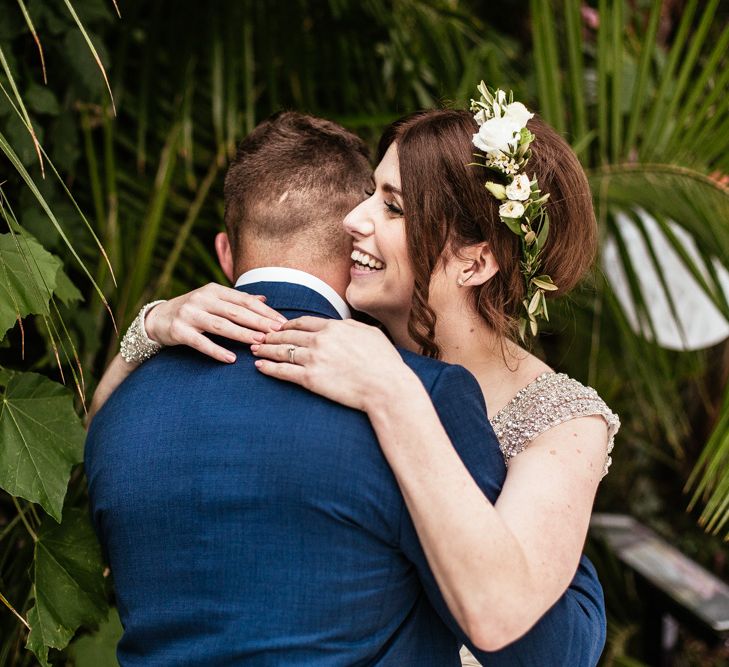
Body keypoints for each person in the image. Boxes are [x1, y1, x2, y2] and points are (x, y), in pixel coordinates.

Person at [88, 97, 615, 664]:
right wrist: (150, 327)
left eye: (391, 207)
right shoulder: (322, 341)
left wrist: (395, 395)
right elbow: (116, 441)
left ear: (474, 262)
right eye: (370, 194)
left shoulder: (561, 420)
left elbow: (537, 637)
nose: (353, 220)